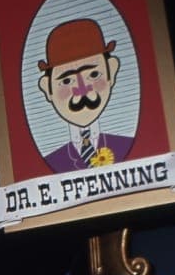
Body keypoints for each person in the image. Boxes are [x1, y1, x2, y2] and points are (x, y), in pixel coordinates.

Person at [36, 18, 135, 173]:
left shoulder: (127, 145)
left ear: (112, 71)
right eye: (67, 80)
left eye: (94, 74)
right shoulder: (50, 160)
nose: (82, 90)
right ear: (46, 88)